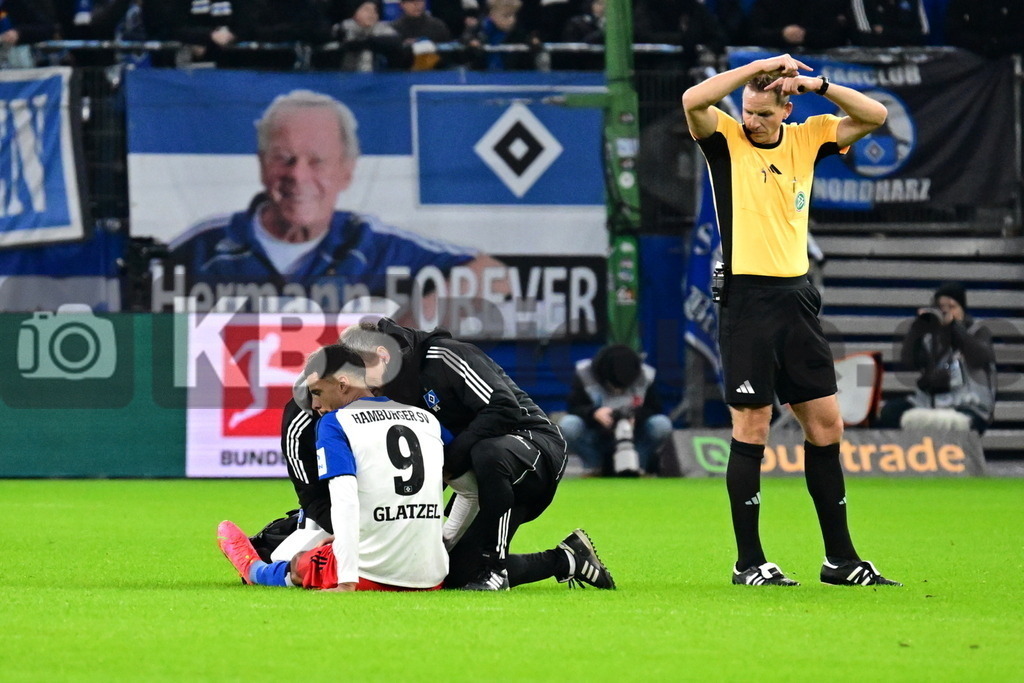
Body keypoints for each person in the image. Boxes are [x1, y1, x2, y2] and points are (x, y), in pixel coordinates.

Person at [682, 53, 901, 587]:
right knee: (752, 425)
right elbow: (692, 100)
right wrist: (758, 66)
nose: (753, 121)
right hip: (747, 302)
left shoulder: (808, 137)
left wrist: (817, 84)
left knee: (827, 425)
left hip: (797, 299)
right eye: (748, 110)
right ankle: (749, 562)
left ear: (786, 110)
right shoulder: (724, 140)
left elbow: (876, 116)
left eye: (764, 113)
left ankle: (840, 560)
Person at [166, 89, 505, 314]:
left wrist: (406, 332)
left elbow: (493, 275)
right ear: (262, 163)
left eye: (317, 161)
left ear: (347, 171)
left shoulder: (371, 244)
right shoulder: (204, 246)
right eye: (284, 158)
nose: (298, 175)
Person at [339, 318, 616, 591]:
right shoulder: (394, 389)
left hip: (534, 447)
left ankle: (495, 567)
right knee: (450, 572)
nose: (364, 387)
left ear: (382, 355)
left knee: (488, 451)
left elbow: (504, 408)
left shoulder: (444, 355)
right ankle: (567, 559)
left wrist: (451, 460)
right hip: (486, 475)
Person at [217, 343, 449, 591]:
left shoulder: (335, 422)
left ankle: (255, 570)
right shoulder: (426, 418)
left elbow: (345, 500)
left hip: (370, 574)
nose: (314, 404)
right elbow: (468, 490)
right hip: (433, 577)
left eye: (317, 392)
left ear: (342, 384)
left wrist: (347, 581)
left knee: (300, 563)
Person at [876, 282, 996, 434]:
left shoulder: (977, 332)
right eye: (941, 307)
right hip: (931, 403)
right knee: (890, 412)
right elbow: (909, 362)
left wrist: (953, 326)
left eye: (952, 307)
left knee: (954, 423)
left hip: (970, 404)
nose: (947, 312)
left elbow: (979, 357)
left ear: (963, 310)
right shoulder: (932, 338)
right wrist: (917, 330)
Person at [558, 344, 674, 477]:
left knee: (661, 424)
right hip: (596, 434)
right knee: (568, 425)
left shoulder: (646, 375)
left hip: (634, 435)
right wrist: (594, 413)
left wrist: (636, 416)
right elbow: (574, 407)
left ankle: (639, 465)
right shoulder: (584, 373)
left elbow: (654, 407)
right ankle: (593, 466)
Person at [460, 0, 538, 71]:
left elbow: (528, 40)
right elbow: (466, 37)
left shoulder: (518, 31)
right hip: (481, 74)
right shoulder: (482, 27)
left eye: (514, 15)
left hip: (511, 75)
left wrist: (532, 41)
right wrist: (472, 41)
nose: (512, 20)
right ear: (492, 14)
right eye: (506, 16)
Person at [745, 0, 851, 51]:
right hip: (772, 63)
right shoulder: (769, 3)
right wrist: (781, 35)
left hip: (822, 67)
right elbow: (752, 34)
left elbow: (838, 37)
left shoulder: (829, 3)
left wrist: (807, 36)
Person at [334, 0, 401, 72]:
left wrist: (365, 42)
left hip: (376, 76)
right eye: (367, 10)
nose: (372, 14)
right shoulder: (342, 29)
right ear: (355, 13)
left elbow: (396, 41)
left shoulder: (382, 29)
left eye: (375, 11)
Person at [945, 0, 1024, 60]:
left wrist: (998, 44)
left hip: (1009, 59)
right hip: (968, 58)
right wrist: (983, 44)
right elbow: (953, 32)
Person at [850, 0, 930, 47]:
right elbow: (864, 36)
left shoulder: (912, 2)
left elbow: (922, 33)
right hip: (869, 61)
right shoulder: (862, 2)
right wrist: (903, 36)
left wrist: (885, 31)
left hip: (911, 56)